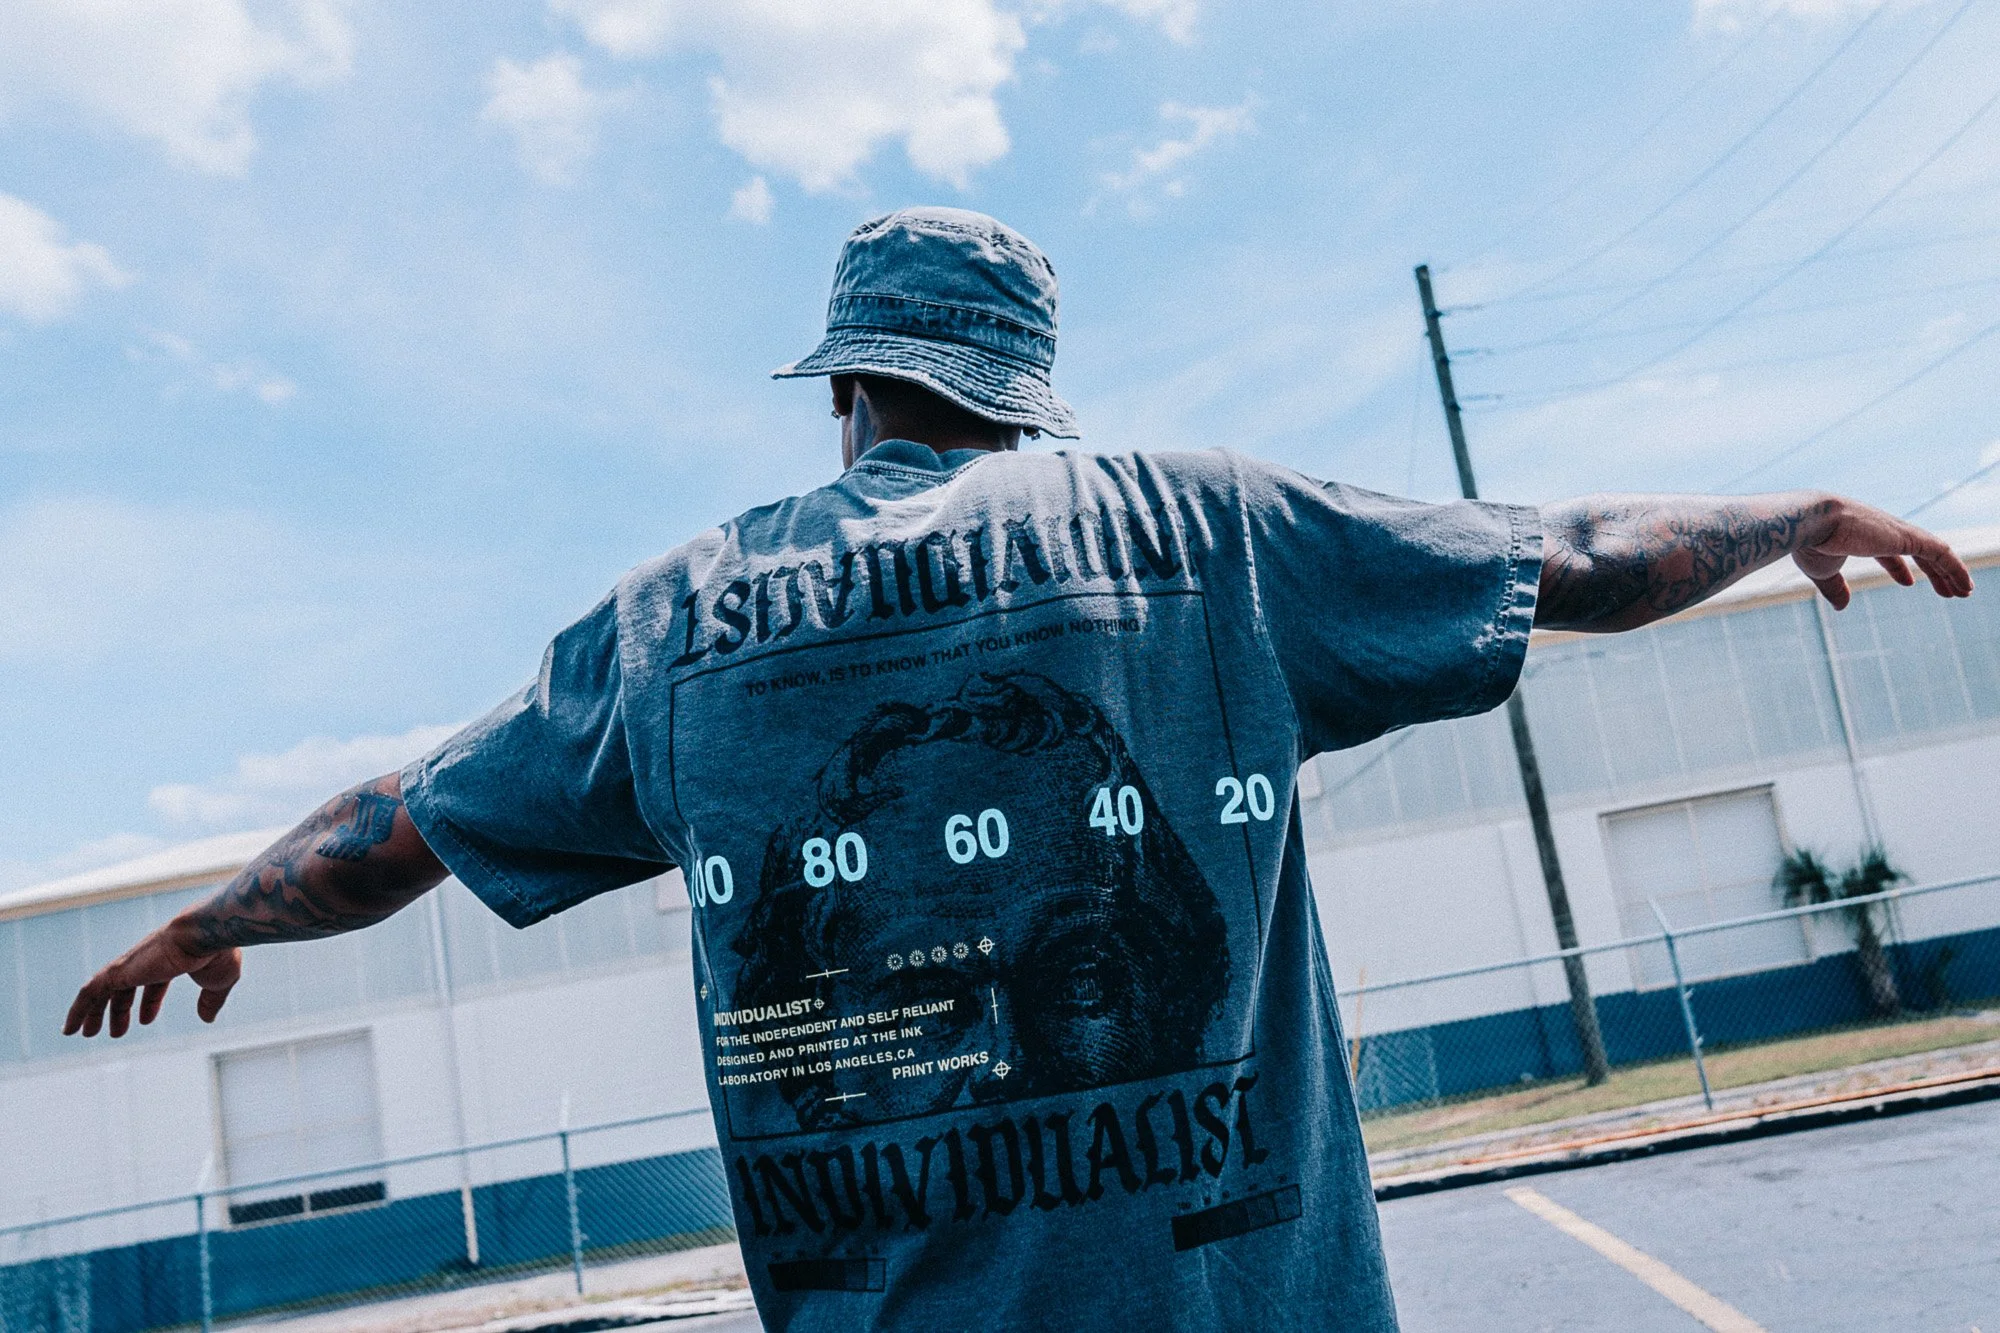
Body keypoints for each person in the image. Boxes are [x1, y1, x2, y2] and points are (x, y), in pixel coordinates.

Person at [67, 207, 1973, 1330]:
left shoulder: (673, 623)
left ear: (846, 386)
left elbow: (397, 825)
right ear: (1029, 388)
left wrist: (209, 921)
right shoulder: (1207, 533)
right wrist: (1790, 515)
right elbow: (1576, 562)